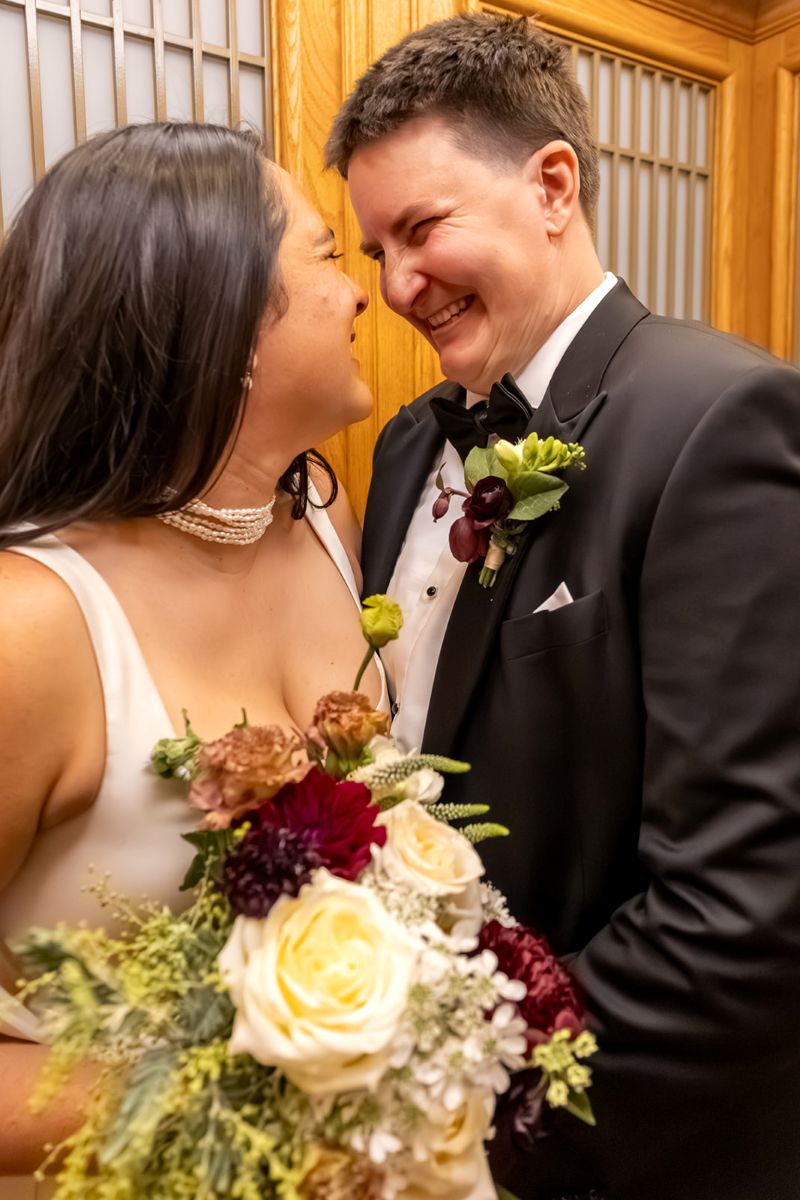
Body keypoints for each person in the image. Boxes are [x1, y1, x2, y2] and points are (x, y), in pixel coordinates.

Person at [325, 12, 800, 1200]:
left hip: (620, 1137)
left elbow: (745, 902)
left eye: (422, 229)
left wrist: (461, 1096)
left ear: (551, 185)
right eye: (374, 248)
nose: (395, 285)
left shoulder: (719, 419)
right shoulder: (396, 453)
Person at [0, 121, 382, 1191]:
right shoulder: (28, 627)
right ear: (224, 316)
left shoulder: (326, 520)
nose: (363, 294)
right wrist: (238, 1089)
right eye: (326, 256)